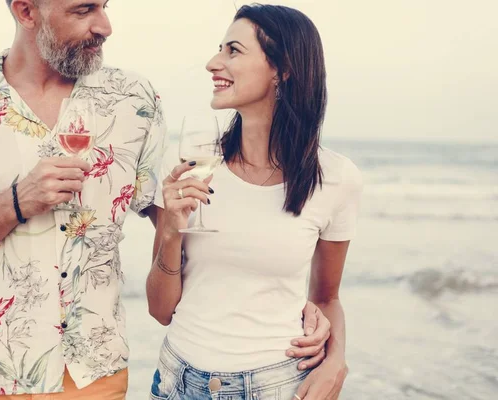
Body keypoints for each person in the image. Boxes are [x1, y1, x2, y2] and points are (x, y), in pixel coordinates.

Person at [0, 1, 329, 399]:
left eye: (104, 6)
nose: (104, 26)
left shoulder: (133, 102)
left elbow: (188, 236)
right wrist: (15, 202)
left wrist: (301, 305)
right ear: (27, 11)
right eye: (84, 9)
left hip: (95, 375)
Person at [146, 4, 363, 400]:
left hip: (277, 386)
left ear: (282, 69)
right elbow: (160, 311)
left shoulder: (336, 178)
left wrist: (336, 362)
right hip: (176, 382)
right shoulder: (188, 166)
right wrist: (171, 231)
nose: (213, 62)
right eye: (219, 49)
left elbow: (326, 298)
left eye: (233, 50)